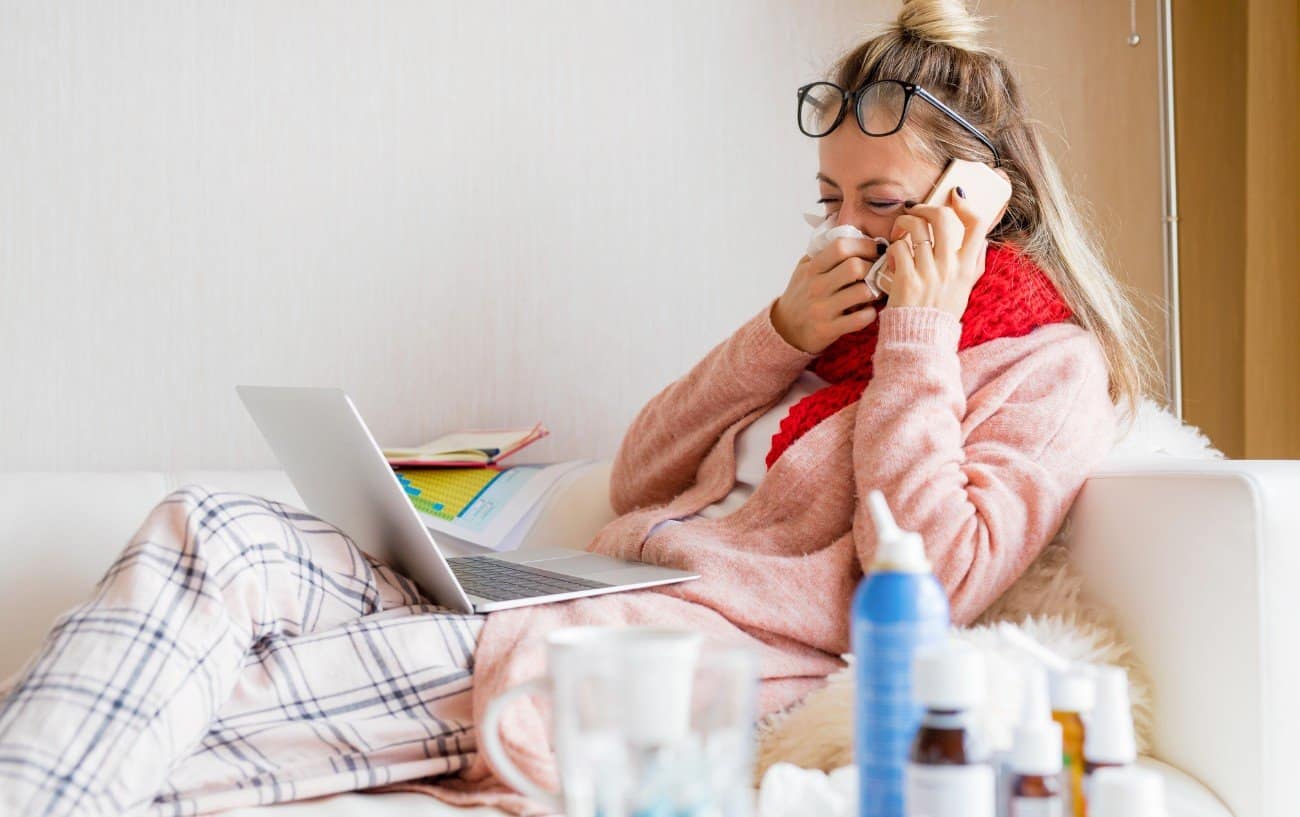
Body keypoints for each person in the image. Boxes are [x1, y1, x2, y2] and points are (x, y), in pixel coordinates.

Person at [0, 1, 1156, 815]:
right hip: (590, 583)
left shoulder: (1044, 370)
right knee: (216, 526)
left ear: (979, 197)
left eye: (883, 201)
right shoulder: (836, 316)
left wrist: (920, 330)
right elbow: (644, 480)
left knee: (202, 707)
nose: (847, 230)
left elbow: (935, 576)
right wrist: (776, 337)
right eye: (829, 200)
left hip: (663, 654)